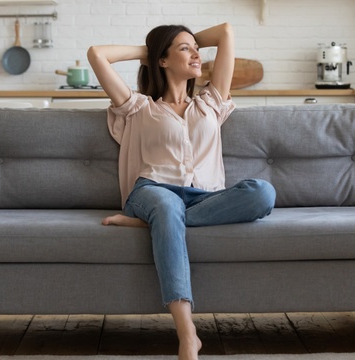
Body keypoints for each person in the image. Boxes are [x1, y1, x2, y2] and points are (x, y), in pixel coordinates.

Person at [87, 23, 276, 360]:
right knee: (165, 205)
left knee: (263, 193)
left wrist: (181, 45)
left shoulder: (211, 102)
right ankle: (188, 333)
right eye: (185, 49)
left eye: (196, 48)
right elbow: (96, 54)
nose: (196, 54)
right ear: (162, 61)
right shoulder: (139, 107)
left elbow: (227, 33)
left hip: (204, 196)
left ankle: (159, 223)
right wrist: (149, 50)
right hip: (153, 190)